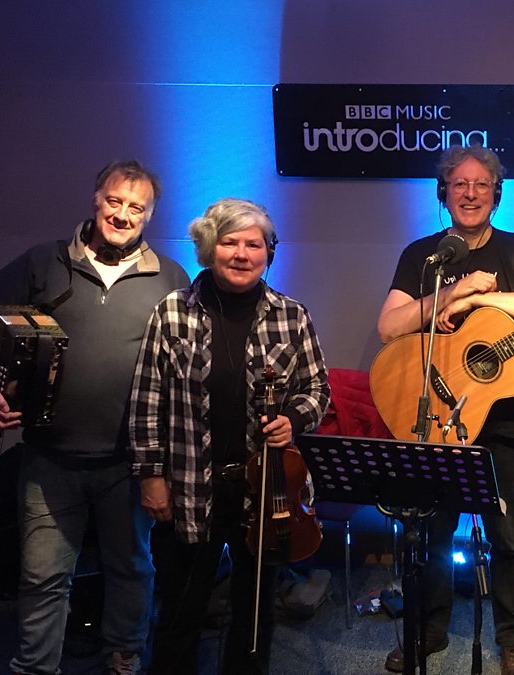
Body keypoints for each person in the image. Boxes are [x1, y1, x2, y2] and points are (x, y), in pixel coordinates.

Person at [0, 160, 190, 675]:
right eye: (114, 202)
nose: (122, 215)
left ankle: (124, 658)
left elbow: (184, 369)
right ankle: (36, 667)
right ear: (95, 199)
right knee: (42, 576)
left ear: (150, 215)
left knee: (132, 568)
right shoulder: (44, 262)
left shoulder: (171, 278)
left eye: (137, 207)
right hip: (49, 457)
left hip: (128, 462)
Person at [375, 144, 514, 675]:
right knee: (433, 534)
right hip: (436, 417)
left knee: (508, 537)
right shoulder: (424, 256)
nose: (471, 193)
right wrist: (452, 291)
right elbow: (389, 327)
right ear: (444, 193)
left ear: (496, 194)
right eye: (460, 184)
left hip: (503, 421)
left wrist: (480, 300)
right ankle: (428, 632)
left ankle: (513, 640)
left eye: (481, 184)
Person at [129, 197, 330, 675]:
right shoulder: (171, 312)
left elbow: (318, 390)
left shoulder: (292, 316)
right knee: (180, 611)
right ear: (208, 248)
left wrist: (294, 419)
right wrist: (150, 477)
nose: (242, 254)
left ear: (269, 252)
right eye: (230, 242)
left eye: (253, 244)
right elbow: (146, 400)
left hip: (265, 492)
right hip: (190, 486)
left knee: (254, 617)